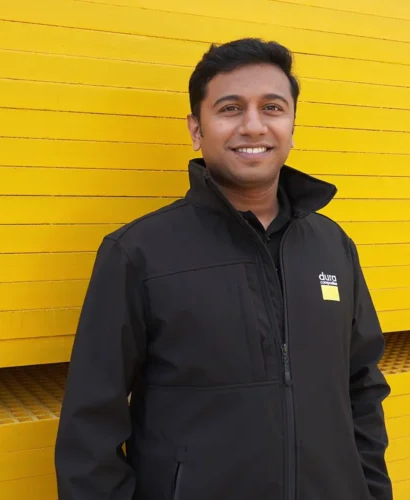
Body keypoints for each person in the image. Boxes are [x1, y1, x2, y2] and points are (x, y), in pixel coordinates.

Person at [55, 38, 392, 500]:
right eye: (230, 109)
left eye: (272, 108)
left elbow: (363, 388)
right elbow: (90, 427)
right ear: (196, 129)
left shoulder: (333, 247)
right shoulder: (138, 253)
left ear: (292, 126)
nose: (253, 126)